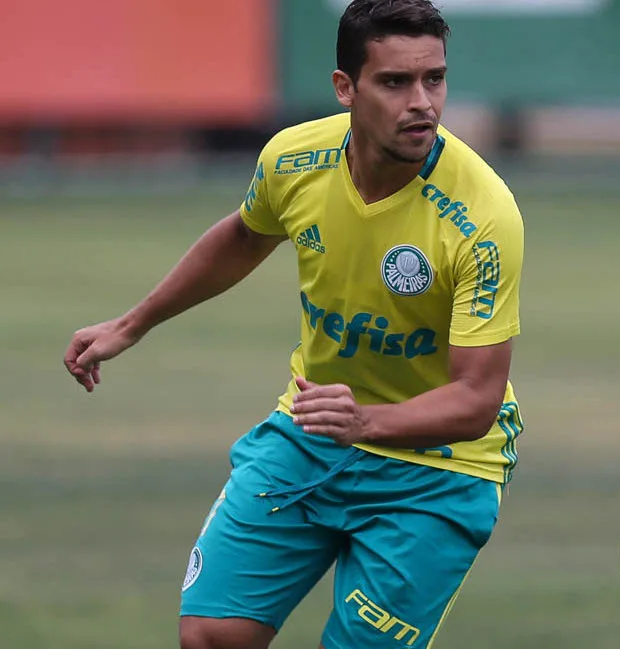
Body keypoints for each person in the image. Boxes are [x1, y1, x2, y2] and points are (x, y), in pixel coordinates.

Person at [63, 1, 525, 647]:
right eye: (395, 82)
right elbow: (244, 238)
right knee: (211, 635)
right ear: (346, 88)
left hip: (441, 470)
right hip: (314, 433)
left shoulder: (484, 216)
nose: (422, 102)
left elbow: (475, 399)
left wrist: (366, 421)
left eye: (435, 79)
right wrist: (133, 323)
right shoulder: (293, 159)